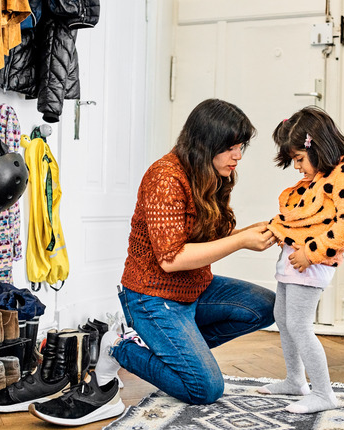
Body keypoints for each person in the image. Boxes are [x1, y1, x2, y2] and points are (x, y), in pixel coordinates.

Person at [94, 98, 278, 405]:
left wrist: (254, 231)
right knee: (205, 390)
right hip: (152, 296)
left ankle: (176, 353)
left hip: (194, 289)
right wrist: (242, 241)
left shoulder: (211, 175)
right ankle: (119, 346)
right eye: (230, 147)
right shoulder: (165, 178)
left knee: (268, 306)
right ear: (206, 144)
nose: (238, 156)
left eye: (241, 146)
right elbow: (171, 259)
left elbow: (211, 240)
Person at [256, 106, 344, 414]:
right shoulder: (320, 176)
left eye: (298, 159)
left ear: (316, 147)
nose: (297, 168)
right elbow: (301, 214)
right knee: (283, 318)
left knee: (299, 325)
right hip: (294, 261)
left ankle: (323, 393)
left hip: (311, 262)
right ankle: (296, 381)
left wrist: (312, 252)